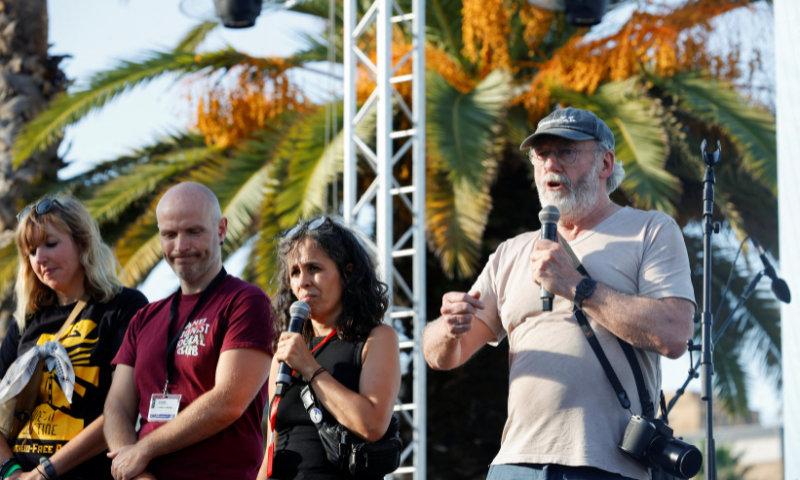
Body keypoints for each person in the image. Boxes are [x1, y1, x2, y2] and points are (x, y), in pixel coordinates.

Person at [422, 107, 696, 480]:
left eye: (566, 152)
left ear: (605, 163)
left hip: (605, 465)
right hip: (514, 464)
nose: (551, 163)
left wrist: (577, 287)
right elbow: (442, 356)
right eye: (541, 154)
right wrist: (446, 327)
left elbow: (674, 333)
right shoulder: (511, 252)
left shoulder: (650, 230)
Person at [102, 182, 274, 480]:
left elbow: (229, 401)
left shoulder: (247, 302)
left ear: (221, 230)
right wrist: (133, 470)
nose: (181, 247)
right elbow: (116, 405)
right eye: (169, 235)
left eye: (193, 232)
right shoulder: (144, 317)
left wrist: (145, 450)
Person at [0, 196, 148, 480]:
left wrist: (45, 472)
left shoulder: (123, 307)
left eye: (50, 244)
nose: (39, 258)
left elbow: (123, 408)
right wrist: (10, 470)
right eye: (31, 251)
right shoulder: (27, 321)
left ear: (82, 243)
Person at [257, 216, 400, 480]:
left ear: (347, 273)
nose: (303, 282)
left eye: (314, 268)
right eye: (295, 272)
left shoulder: (377, 339)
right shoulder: (285, 352)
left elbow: (372, 425)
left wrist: (310, 367)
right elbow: (271, 446)